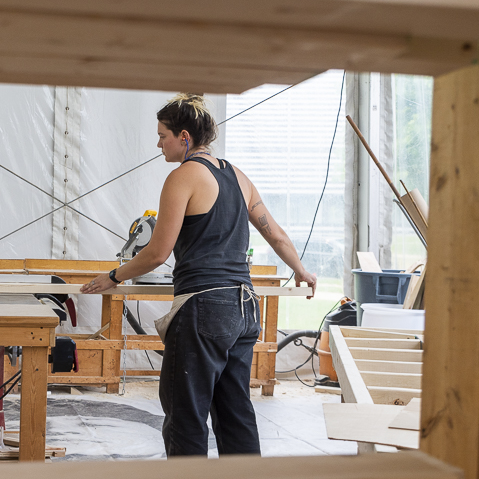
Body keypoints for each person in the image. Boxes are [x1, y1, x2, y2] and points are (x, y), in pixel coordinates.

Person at [81, 93, 317, 457]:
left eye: (163, 136)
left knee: (186, 415)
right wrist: (301, 270)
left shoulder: (182, 177)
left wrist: (114, 276)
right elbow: (277, 235)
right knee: (236, 411)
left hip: (205, 309)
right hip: (245, 308)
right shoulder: (238, 177)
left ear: (184, 137)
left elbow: (157, 253)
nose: (158, 144)